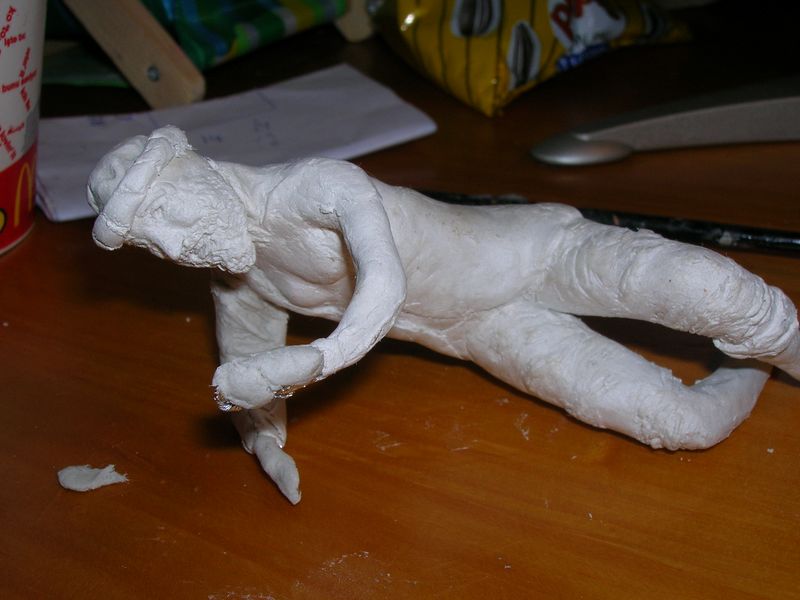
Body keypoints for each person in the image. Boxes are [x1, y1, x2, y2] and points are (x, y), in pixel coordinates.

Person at [89, 126, 800, 503]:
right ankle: (753, 364)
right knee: (680, 424)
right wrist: (265, 437)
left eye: (169, 215)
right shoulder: (240, 276)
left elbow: (384, 280)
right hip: (483, 331)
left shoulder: (315, 188)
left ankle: (785, 347)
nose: (175, 248)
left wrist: (317, 359)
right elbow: (247, 363)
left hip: (537, 252)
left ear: (196, 168)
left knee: (707, 286)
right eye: (151, 243)